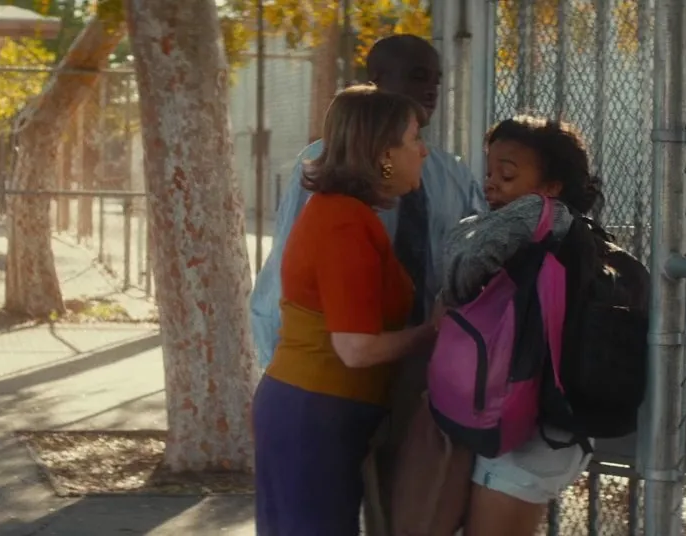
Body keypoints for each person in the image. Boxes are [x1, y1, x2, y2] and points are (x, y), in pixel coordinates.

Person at [248, 33, 486, 530]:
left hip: (379, 394)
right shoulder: (340, 217)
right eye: (412, 140)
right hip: (322, 399)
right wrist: (431, 331)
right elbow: (347, 342)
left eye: (436, 79)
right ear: (383, 153)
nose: (423, 150)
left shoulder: (433, 183)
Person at [435, 116, 606, 535]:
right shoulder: (563, 234)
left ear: (552, 186)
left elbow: (461, 268)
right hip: (533, 423)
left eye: (507, 175)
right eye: (489, 173)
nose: (491, 184)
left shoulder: (538, 215)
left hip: (531, 433)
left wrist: (456, 280)